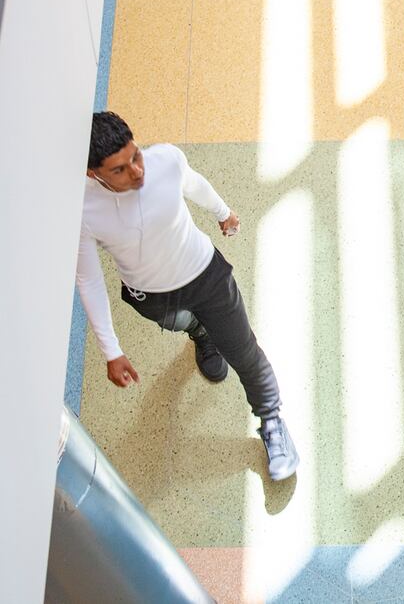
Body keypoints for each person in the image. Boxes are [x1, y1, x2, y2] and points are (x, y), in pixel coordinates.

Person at [77, 111, 299, 481]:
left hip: (205, 277)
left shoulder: (165, 161)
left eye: (136, 156)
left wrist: (224, 213)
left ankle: (272, 422)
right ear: (93, 173)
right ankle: (202, 338)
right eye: (119, 169)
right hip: (151, 296)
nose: (136, 172)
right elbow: (88, 279)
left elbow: (195, 185)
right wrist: (111, 350)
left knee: (244, 350)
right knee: (192, 326)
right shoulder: (83, 209)